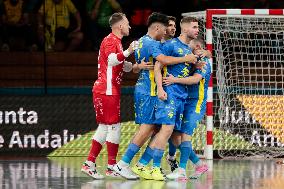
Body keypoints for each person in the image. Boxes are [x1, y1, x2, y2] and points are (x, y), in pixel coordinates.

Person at [112, 12, 197, 180]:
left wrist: (137, 67)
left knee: (155, 129)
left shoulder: (143, 41)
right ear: (157, 27)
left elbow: (140, 65)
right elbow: (163, 60)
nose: (167, 31)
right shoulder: (151, 43)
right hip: (149, 90)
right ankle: (123, 164)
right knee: (148, 128)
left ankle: (142, 165)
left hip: (147, 88)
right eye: (165, 28)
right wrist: (186, 58)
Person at [81, 12, 139, 179]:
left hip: (105, 90)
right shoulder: (110, 41)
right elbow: (113, 60)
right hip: (107, 90)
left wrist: (136, 66)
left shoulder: (116, 42)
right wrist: (129, 50)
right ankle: (112, 165)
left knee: (105, 127)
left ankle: (90, 163)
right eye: (127, 23)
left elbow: (121, 65)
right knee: (114, 127)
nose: (129, 26)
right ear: (119, 26)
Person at [165, 38, 211, 180]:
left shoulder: (204, 62)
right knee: (174, 133)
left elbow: (195, 80)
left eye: (189, 47)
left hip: (196, 103)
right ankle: (197, 164)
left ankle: (182, 170)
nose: (187, 50)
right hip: (183, 100)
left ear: (197, 47)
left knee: (185, 135)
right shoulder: (192, 61)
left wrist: (174, 80)